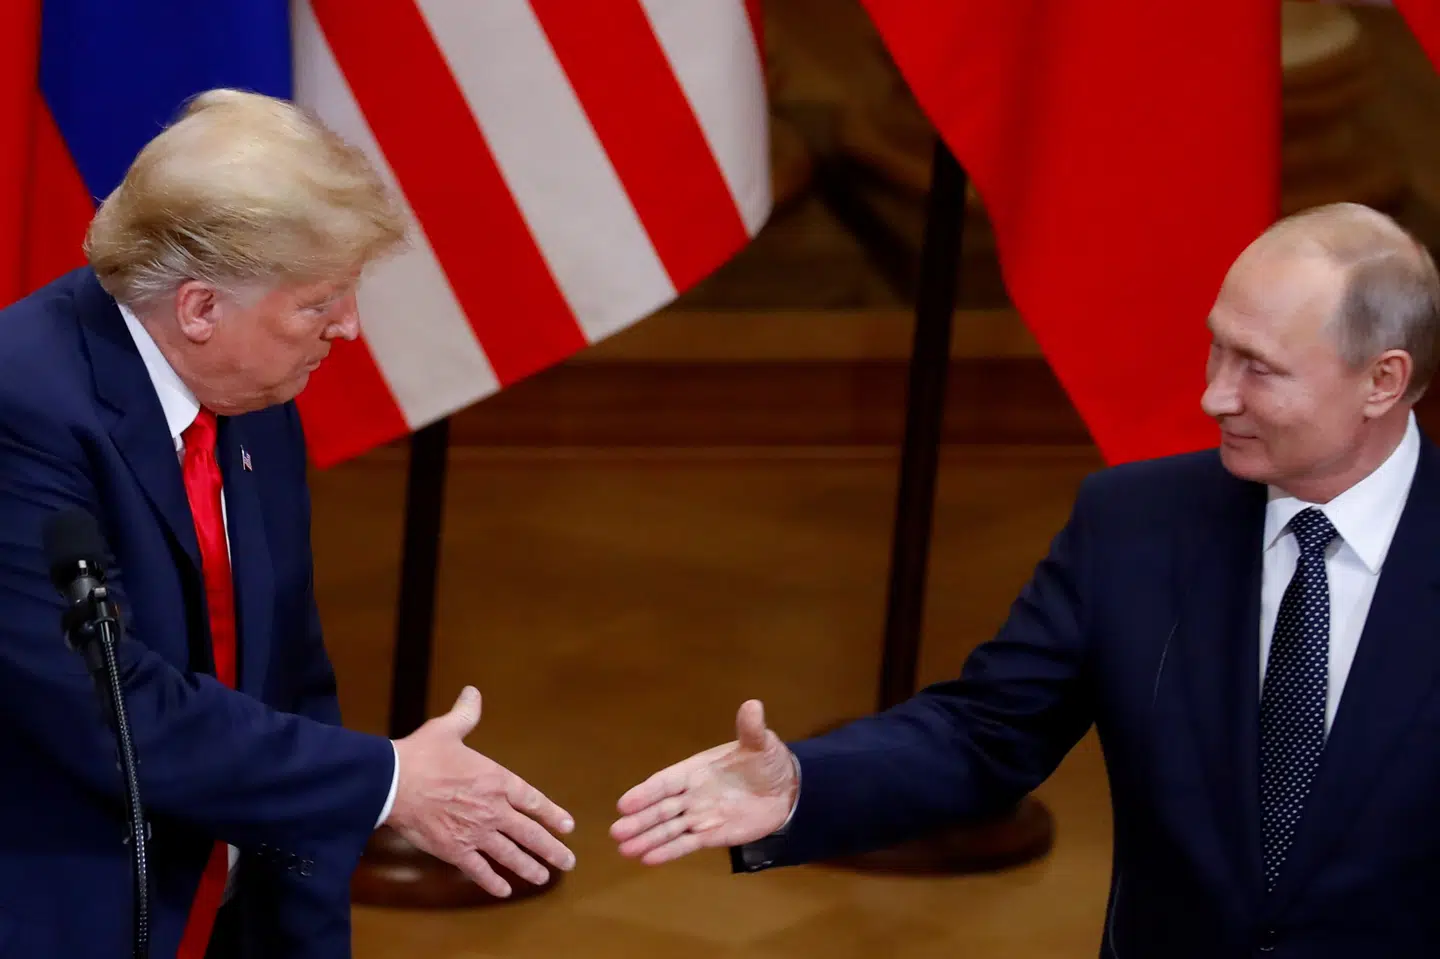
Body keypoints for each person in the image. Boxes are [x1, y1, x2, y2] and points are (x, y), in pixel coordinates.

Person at [611, 202, 1440, 956]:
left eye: (1258, 367)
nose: (1214, 394)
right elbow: (985, 732)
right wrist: (802, 783)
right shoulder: (1134, 524)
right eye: (1217, 347)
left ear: (1383, 381)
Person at [0, 88, 575, 959]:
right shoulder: (24, 409)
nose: (348, 328)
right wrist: (389, 781)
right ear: (200, 308)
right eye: (319, 303)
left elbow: (293, 680)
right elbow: (111, 706)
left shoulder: (254, 397)